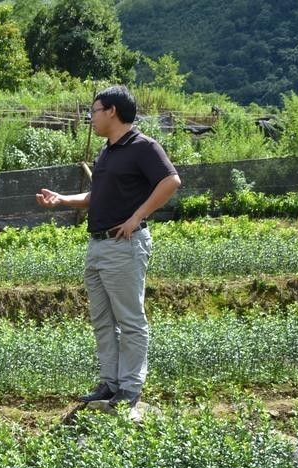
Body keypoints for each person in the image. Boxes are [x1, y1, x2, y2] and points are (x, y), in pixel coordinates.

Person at [36, 85, 181, 408]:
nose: (92, 117)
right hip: (98, 244)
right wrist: (61, 200)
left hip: (124, 244)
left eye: (95, 111)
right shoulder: (108, 151)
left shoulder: (143, 146)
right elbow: (94, 198)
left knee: (129, 320)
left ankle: (130, 387)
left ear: (112, 111)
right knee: (103, 319)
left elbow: (171, 181)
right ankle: (110, 382)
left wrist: (137, 217)